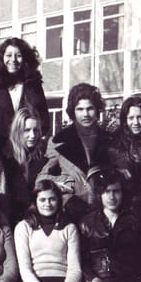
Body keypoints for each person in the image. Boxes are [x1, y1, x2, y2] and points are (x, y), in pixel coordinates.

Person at [36, 82, 114, 222]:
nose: (85, 114)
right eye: (80, 109)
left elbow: (122, 174)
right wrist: (64, 186)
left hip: (106, 210)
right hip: (72, 213)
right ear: (73, 111)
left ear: (97, 110)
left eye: (90, 108)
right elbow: (42, 179)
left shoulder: (110, 140)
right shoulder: (58, 141)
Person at [0, 37, 49, 154]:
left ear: (25, 58)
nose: (13, 60)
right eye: (9, 55)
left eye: (18, 56)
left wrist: (35, 141)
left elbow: (44, 118)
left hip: (27, 150)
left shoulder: (33, 85)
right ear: (2, 58)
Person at [5, 107, 48, 226]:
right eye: (27, 130)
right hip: (11, 220)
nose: (32, 135)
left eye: (36, 130)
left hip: (38, 218)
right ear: (17, 131)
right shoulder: (5, 157)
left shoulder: (44, 155)